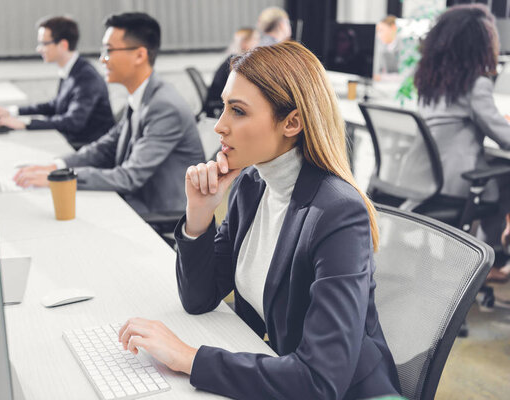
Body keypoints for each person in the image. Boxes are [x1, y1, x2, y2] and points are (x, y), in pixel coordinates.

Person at [117, 41, 401, 399]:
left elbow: (319, 382)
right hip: (274, 370)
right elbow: (200, 297)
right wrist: (199, 216)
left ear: (292, 122)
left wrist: (188, 358)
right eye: (224, 107)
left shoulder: (337, 213)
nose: (220, 126)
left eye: (238, 111)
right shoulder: (252, 183)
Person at [13, 13, 205, 215]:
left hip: (159, 213)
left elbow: (129, 177)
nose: (102, 59)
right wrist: (56, 166)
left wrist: (64, 176)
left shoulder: (164, 106)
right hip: (136, 200)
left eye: (109, 50)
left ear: (140, 55)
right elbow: (106, 147)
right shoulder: (142, 96)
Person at [413, 4, 510, 281]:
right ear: (477, 44)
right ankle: (487, 255)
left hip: (426, 179)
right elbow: (505, 138)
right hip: (458, 185)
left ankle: (485, 253)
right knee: (506, 177)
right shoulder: (476, 84)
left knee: (500, 174)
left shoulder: (430, 81)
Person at [0, 16, 114, 150]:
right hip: (72, 141)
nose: (39, 49)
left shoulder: (86, 77)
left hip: (87, 148)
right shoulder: (71, 70)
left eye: (44, 43)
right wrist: (12, 112)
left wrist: (24, 123)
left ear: (63, 45)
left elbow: (73, 122)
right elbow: (54, 105)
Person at [204, 27, 259, 118]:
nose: (258, 43)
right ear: (245, 43)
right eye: (256, 39)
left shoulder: (233, 59)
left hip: (220, 101)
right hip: (221, 103)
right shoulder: (237, 63)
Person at [373, 15, 401, 81]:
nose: (378, 35)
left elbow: (405, 75)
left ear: (393, 28)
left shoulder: (405, 47)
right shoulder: (380, 46)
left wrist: (381, 78)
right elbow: (376, 71)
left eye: (381, 30)